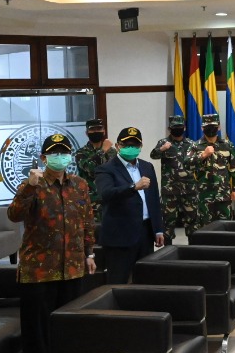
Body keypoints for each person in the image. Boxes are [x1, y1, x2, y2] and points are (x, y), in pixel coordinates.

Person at [6, 133, 96, 353]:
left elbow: (86, 221)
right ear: (44, 158)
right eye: (54, 153)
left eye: (64, 152)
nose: (60, 157)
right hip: (39, 271)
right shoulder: (32, 185)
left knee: (69, 328)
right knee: (36, 334)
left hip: (72, 268)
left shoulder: (79, 185)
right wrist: (29, 187)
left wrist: (90, 253)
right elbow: (14, 215)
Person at [96, 126, 165, 284]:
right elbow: (106, 194)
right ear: (117, 146)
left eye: (135, 145)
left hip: (145, 231)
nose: (131, 148)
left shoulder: (147, 166)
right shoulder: (106, 169)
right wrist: (133, 187)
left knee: (145, 279)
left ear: (141, 146)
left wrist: (158, 229)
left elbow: (153, 199)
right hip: (120, 234)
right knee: (118, 280)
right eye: (126, 145)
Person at [186, 113, 235, 233]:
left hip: (223, 194)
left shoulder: (227, 145)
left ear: (219, 127)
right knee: (206, 229)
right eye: (207, 126)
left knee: (226, 227)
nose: (211, 129)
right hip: (204, 195)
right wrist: (203, 155)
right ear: (202, 128)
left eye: (213, 126)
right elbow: (186, 165)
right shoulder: (195, 146)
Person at [150, 114, 197, 243]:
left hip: (189, 190)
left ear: (184, 128)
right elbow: (153, 155)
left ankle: (194, 250)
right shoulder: (163, 142)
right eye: (174, 127)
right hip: (170, 190)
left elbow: (198, 162)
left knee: (192, 222)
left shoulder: (192, 144)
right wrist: (162, 149)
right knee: (168, 222)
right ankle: (167, 252)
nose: (177, 129)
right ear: (169, 128)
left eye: (180, 127)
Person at [74, 118, 115, 220]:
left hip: (110, 200)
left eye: (99, 129)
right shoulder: (81, 153)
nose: (96, 132)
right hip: (90, 201)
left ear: (104, 131)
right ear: (87, 133)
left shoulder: (112, 152)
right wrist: (103, 151)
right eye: (92, 129)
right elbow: (90, 169)